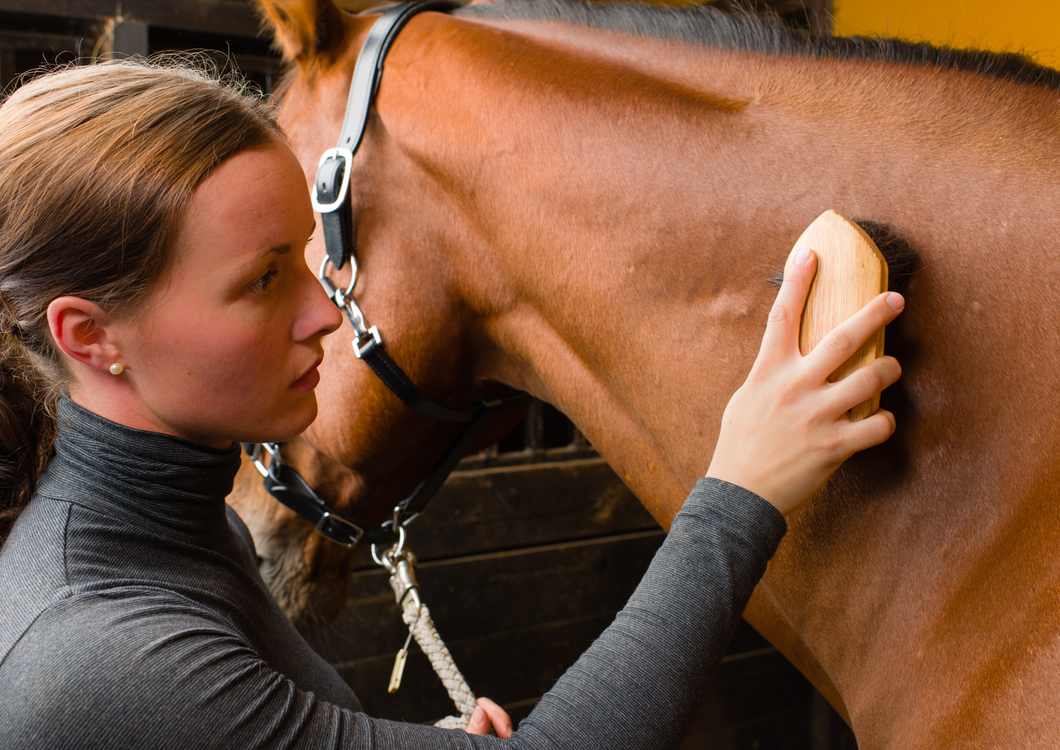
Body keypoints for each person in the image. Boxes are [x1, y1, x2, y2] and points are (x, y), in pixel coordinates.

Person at [0, 60, 903, 749]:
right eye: (264, 280)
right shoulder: (94, 653)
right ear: (91, 338)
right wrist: (742, 489)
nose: (324, 314)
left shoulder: (178, 533)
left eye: (307, 260)